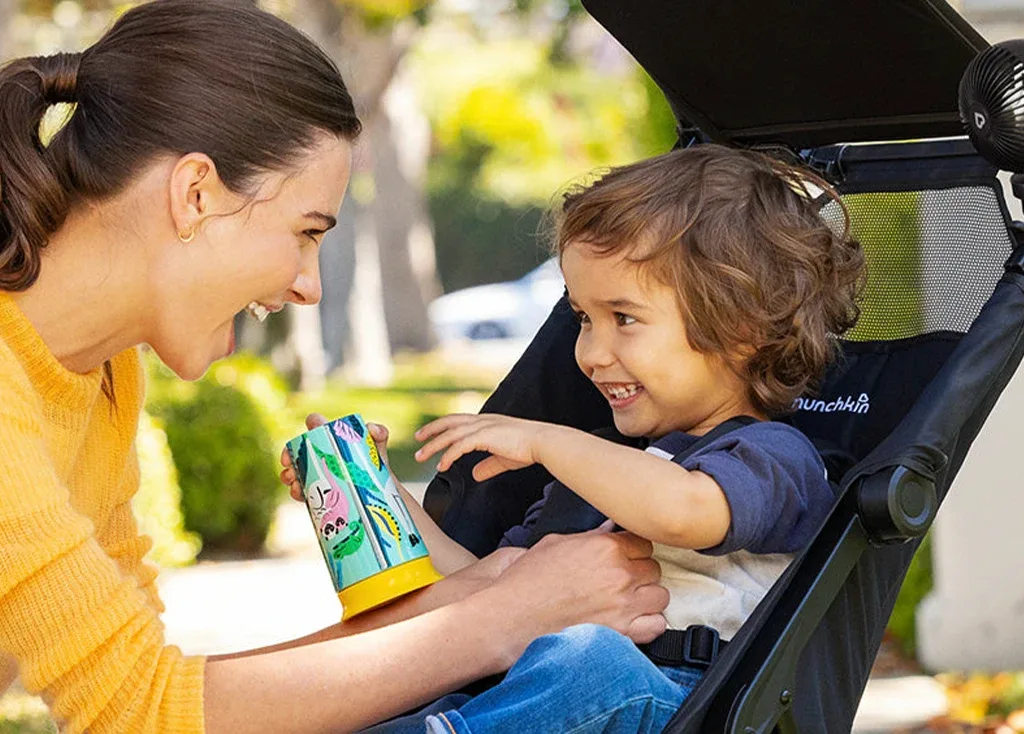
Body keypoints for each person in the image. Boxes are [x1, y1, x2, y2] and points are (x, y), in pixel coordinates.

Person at [0, 3, 671, 732]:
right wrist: (503, 620)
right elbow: (138, 713)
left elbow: (155, 681)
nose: (305, 286)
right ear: (196, 193)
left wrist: (492, 589)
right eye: (305, 233)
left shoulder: (97, 375)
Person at [285, 144, 864, 732]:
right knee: (476, 671)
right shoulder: (593, 475)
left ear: (739, 329)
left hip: (679, 703)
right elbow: (488, 585)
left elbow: (683, 511)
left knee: (592, 662)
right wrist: (377, 487)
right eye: (584, 318)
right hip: (548, 697)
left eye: (624, 318)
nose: (588, 352)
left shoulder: (773, 456)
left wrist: (549, 443)